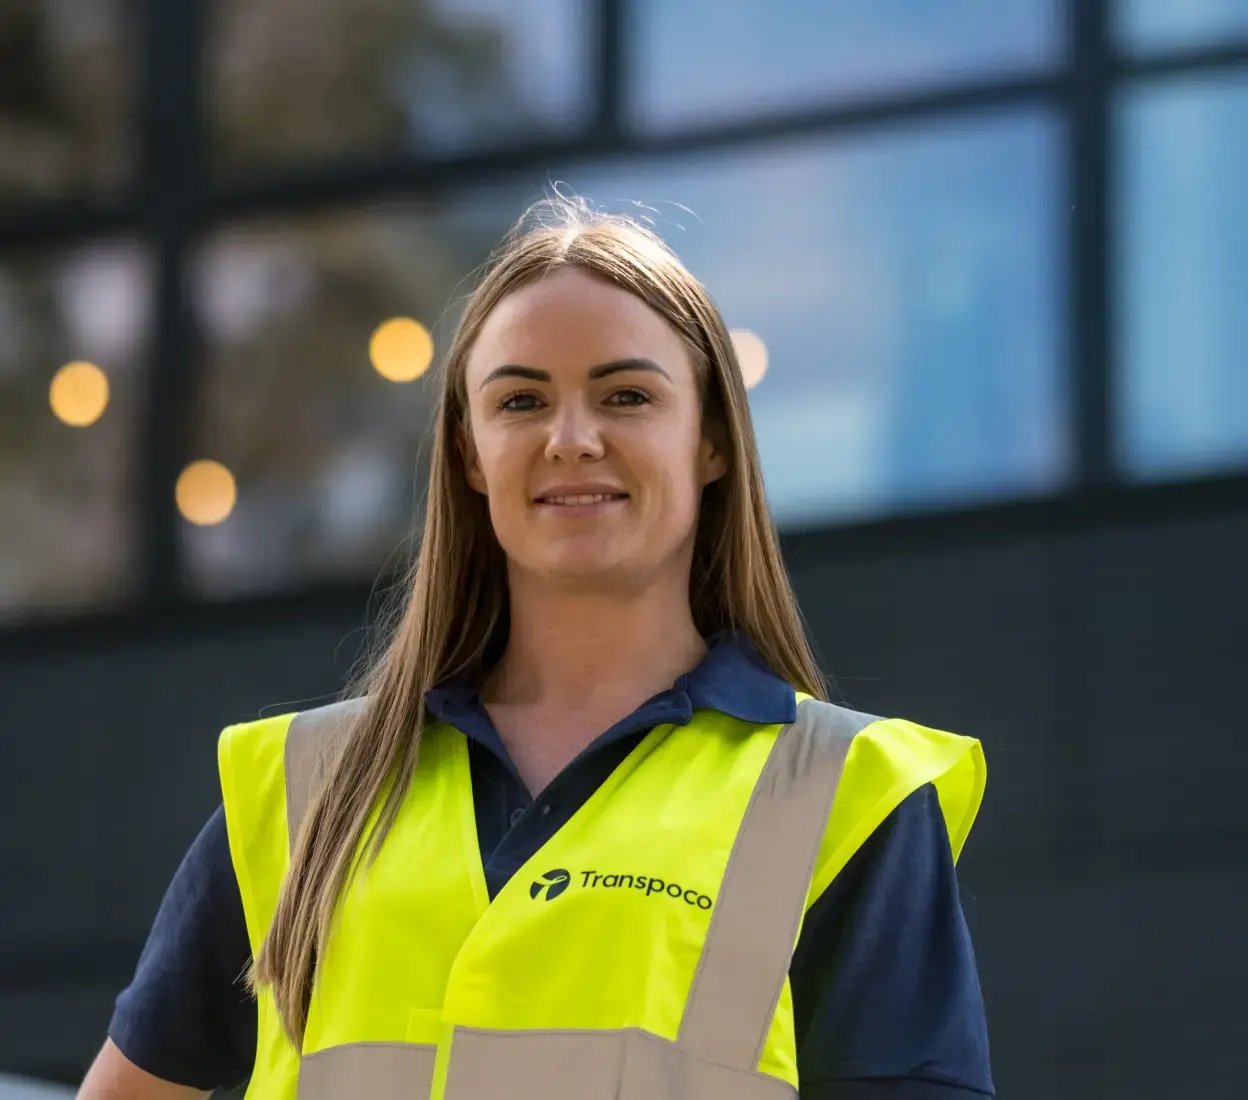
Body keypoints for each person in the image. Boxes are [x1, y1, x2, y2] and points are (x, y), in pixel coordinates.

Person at [79, 194, 994, 1099]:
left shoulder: (849, 796)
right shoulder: (304, 791)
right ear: (470, 453)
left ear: (713, 441)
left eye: (626, 395)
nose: (572, 439)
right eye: (520, 400)